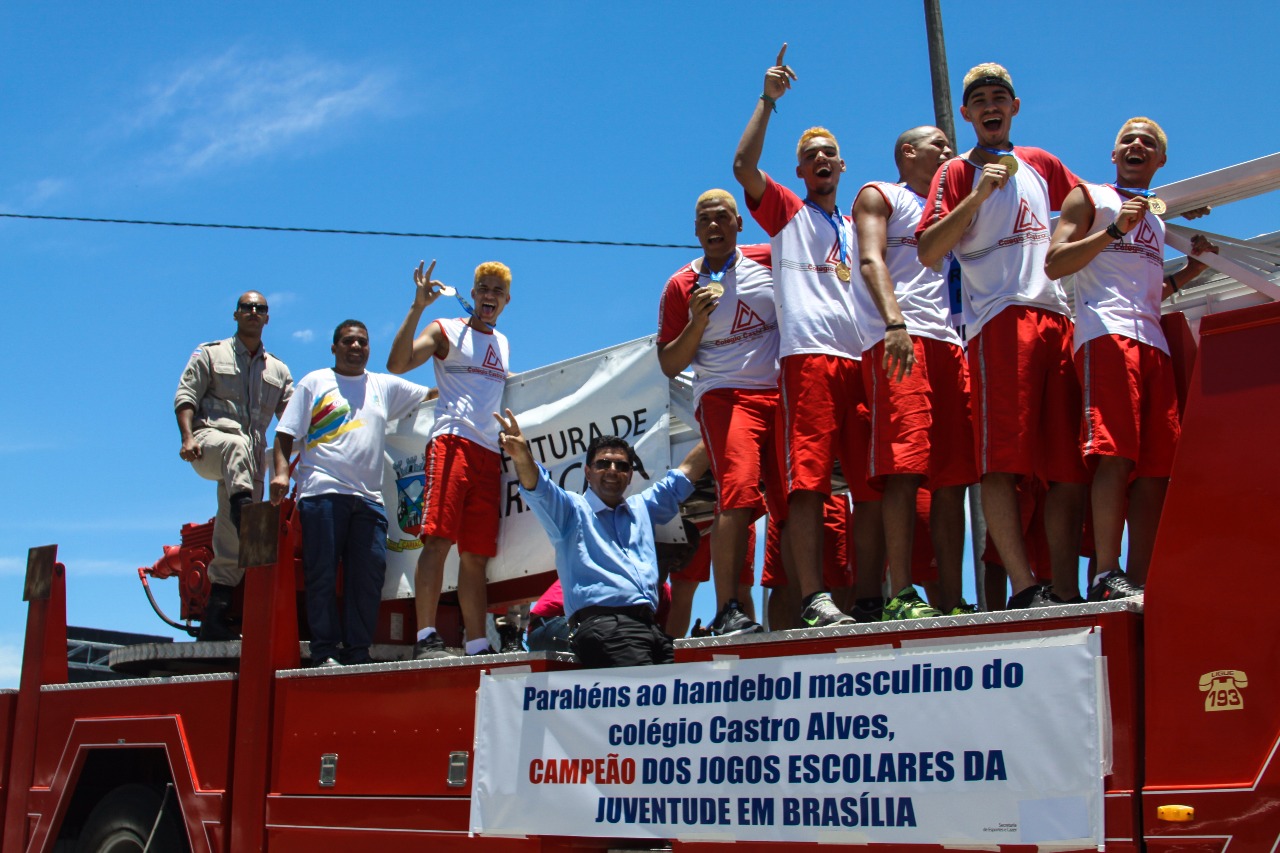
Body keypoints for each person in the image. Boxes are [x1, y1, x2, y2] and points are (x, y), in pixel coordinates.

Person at [916, 62, 1087, 608]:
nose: (991, 107)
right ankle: (1023, 585)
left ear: (1015, 107)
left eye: (1000, 97)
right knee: (1002, 463)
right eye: (980, 101)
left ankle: (1065, 588)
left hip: (1057, 317)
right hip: (999, 322)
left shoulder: (1040, 163)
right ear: (967, 115)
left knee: (1067, 467)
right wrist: (978, 196)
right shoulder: (957, 172)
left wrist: (1159, 216)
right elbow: (928, 249)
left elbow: (1091, 205)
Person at [732, 44, 882, 628]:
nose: (822, 160)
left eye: (830, 155)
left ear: (842, 168)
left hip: (862, 361)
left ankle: (869, 595)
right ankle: (815, 596)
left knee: (871, 486)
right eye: (811, 155)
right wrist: (767, 102)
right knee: (809, 483)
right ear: (800, 172)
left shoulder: (858, 224)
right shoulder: (791, 214)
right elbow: (743, 167)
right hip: (810, 360)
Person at [1045, 117, 1218, 598]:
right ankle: (1106, 572)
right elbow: (1055, 263)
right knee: (1114, 455)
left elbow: (1147, 291)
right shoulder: (1091, 198)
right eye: (1128, 140)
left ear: (1160, 161)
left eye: (1149, 143)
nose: (1137, 145)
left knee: (1157, 468)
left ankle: (1142, 581)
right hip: (1106, 334)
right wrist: (1115, 231)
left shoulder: (1158, 218)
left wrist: (1192, 273)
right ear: (1114, 154)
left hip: (1153, 340)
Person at [851, 126, 977, 619]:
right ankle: (900, 593)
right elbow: (868, 259)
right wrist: (894, 323)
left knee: (953, 477)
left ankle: (949, 596)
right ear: (907, 151)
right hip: (901, 338)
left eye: (950, 146)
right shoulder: (881, 194)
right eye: (938, 145)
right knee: (902, 467)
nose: (948, 152)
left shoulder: (955, 209)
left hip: (951, 344)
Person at [269, 321, 431, 667]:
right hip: (322, 493)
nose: (355, 347)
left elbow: (430, 395)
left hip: (369, 500)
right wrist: (281, 475)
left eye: (362, 342)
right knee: (323, 574)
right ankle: (325, 651)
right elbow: (284, 434)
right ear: (334, 347)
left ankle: (358, 652)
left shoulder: (382, 386)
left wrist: (483, 383)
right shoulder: (315, 382)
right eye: (348, 341)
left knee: (368, 578)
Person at [657, 188, 782, 636]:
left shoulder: (769, 259)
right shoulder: (679, 285)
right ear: (695, 229)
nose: (714, 225)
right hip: (724, 396)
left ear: (738, 223)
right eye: (705, 219)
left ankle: (806, 600)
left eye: (723, 217)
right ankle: (728, 608)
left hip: (780, 393)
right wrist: (697, 322)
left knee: (793, 499)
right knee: (740, 493)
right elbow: (669, 364)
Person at [497, 408, 710, 668]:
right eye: (603, 464)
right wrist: (522, 456)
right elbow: (538, 487)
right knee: (643, 701)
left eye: (621, 466)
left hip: (648, 630)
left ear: (630, 475)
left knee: (670, 699)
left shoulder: (643, 508)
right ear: (588, 473)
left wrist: (716, 425)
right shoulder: (571, 511)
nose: (612, 470)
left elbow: (685, 474)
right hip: (605, 627)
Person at [387, 260, 512, 659]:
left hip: (489, 454)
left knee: (476, 555)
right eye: (483, 288)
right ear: (472, 295)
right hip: (452, 443)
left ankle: (476, 644)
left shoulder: (504, 343)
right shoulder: (446, 330)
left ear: (506, 300)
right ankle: (425, 637)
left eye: (497, 290)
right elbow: (397, 364)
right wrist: (417, 307)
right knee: (439, 540)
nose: (489, 295)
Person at [174, 291, 293, 641]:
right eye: (247, 308)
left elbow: (293, 419)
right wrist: (187, 438)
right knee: (236, 443)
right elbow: (185, 397)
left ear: (267, 318)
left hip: (250, 464)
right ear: (236, 315)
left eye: (260, 309)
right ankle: (247, 517)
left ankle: (215, 618)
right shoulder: (210, 353)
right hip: (209, 444)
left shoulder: (280, 371)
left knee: (231, 544)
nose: (253, 312)